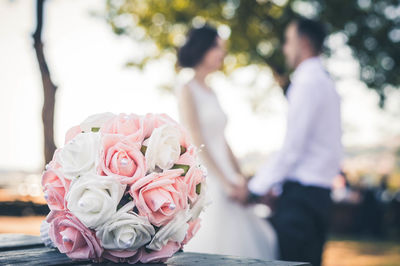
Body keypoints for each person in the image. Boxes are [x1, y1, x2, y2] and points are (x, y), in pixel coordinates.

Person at [232, 18, 342, 266]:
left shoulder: (306, 83)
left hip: (301, 201)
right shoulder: (326, 83)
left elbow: (293, 148)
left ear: (303, 43)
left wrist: (253, 189)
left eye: (288, 41)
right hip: (320, 195)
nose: (284, 49)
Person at [177, 25, 278, 260]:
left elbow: (222, 140)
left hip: (227, 175)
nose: (222, 53)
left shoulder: (211, 91)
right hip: (208, 176)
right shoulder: (186, 88)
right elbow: (197, 139)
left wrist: (240, 177)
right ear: (202, 48)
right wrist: (224, 183)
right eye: (217, 47)